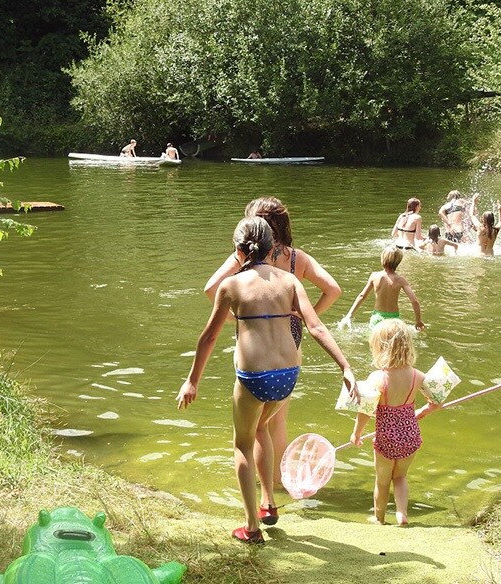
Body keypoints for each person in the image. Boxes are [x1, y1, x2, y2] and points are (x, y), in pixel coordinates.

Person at [178, 217, 359, 544]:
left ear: (238, 249)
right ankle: (269, 503)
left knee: (242, 443)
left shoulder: (231, 285)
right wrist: (345, 367)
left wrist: (192, 381)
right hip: (288, 377)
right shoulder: (290, 281)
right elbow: (316, 327)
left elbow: (208, 338)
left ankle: (251, 527)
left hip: (253, 377)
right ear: (270, 246)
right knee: (262, 429)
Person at [205, 197, 342, 486]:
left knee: (250, 422)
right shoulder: (296, 259)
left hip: (253, 342)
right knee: (276, 421)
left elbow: (210, 289)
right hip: (288, 340)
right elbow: (333, 290)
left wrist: (234, 318)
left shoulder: (243, 257)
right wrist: (305, 315)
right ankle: (279, 483)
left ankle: (257, 481)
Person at [350, 319, 441, 525]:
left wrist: (356, 433)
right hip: (411, 436)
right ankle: (402, 514)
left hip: (386, 439)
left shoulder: (377, 378)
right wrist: (425, 410)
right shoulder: (418, 375)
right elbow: (436, 402)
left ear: (379, 348)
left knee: (382, 482)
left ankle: (379, 518)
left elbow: (365, 411)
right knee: (400, 477)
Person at [338, 247, 425, 331]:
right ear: (398, 262)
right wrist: (418, 321)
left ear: (383, 259)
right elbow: (414, 301)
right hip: (394, 319)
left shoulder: (374, 276)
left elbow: (362, 296)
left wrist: (349, 315)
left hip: (377, 318)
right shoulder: (401, 280)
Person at [468, 193, 501, 257]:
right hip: (490, 256)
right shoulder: (495, 230)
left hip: (480, 255)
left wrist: (473, 202)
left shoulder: (480, 227)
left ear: (483, 219)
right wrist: (500, 209)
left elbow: (471, 215)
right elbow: (500, 221)